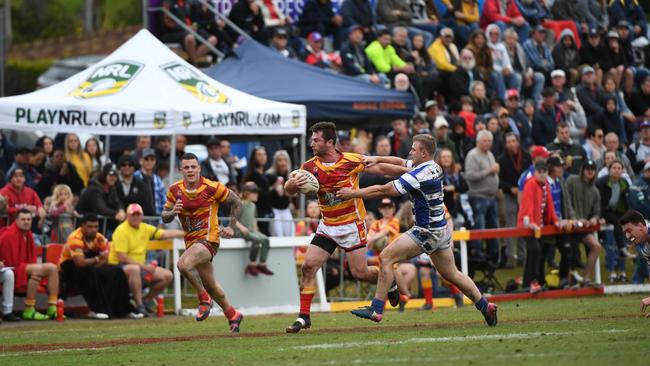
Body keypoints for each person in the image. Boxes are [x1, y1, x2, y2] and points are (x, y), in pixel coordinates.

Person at [336, 134, 498, 325]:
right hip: (441, 230)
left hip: (426, 230)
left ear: (423, 152)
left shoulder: (419, 175)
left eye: (414, 149)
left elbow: (385, 190)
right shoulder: (432, 166)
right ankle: (485, 306)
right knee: (452, 274)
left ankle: (376, 308)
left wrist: (352, 194)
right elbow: (400, 162)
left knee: (386, 257)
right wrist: (377, 158)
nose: (410, 151)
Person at [282, 122, 410, 333]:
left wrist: (410, 170)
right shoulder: (309, 167)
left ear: (330, 142)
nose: (311, 143)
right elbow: (288, 188)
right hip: (328, 225)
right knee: (308, 266)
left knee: (359, 272)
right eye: (311, 139)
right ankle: (304, 316)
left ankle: (390, 282)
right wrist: (292, 186)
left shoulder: (351, 160)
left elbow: (381, 169)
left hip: (352, 224)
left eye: (316, 140)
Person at [162, 153, 244, 332]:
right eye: (186, 167)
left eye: (193, 166)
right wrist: (172, 212)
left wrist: (231, 227)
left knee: (183, 264)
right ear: (180, 170)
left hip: (209, 240)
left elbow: (237, 202)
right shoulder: (174, 190)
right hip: (191, 243)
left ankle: (203, 298)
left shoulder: (211, 187)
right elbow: (165, 216)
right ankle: (233, 314)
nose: (190, 170)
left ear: (199, 168)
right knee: (210, 283)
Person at [59, 213, 136, 319]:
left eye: (96, 227)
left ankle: (124, 310)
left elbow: (105, 260)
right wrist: (97, 259)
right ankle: (97, 309)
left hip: (90, 265)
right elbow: (79, 263)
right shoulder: (75, 238)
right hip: (69, 269)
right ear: (83, 226)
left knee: (117, 271)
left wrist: (97, 261)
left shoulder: (100, 238)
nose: (93, 230)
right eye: (90, 227)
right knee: (91, 273)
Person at [110, 204, 181, 316]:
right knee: (134, 269)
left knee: (167, 275)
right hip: (118, 269)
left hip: (139, 268)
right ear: (127, 216)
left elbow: (166, 234)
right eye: (133, 215)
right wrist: (144, 267)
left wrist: (188, 234)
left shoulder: (144, 227)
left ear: (142, 216)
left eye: (138, 215)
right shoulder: (121, 230)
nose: (136, 217)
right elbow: (122, 257)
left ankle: (145, 301)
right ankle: (139, 306)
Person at [0, 209, 59, 320]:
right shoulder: (9, 235)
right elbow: (9, 263)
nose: (26, 222)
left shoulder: (29, 235)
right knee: (49, 268)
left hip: (22, 268)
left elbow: (30, 260)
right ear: (16, 221)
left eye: (28, 219)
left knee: (49, 270)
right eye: (23, 219)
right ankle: (29, 310)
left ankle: (51, 308)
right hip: (10, 269)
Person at [518, 161, 560, 293]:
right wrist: (530, 222)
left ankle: (529, 282)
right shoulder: (530, 184)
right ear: (535, 172)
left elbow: (550, 206)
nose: (542, 174)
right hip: (527, 225)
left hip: (538, 227)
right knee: (535, 250)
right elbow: (527, 204)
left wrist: (555, 221)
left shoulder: (545, 185)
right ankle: (533, 282)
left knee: (537, 251)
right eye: (539, 172)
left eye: (544, 172)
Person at [464, 130, 501, 264]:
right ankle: (477, 254)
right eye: (485, 141)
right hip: (478, 196)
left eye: (490, 141)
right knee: (479, 227)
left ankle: (494, 255)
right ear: (478, 142)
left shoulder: (490, 154)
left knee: (493, 227)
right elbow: (470, 176)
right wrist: (489, 171)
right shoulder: (473, 155)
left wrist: (495, 172)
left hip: (491, 197)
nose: (488, 143)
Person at [566, 160, 604, 286]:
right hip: (568, 224)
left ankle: (586, 279)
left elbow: (597, 212)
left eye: (592, 169)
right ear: (582, 169)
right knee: (569, 249)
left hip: (583, 227)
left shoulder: (595, 191)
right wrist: (574, 218)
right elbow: (566, 201)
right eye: (587, 168)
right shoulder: (572, 180)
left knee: (596, 246)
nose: (590, 171)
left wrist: (594, 219)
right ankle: (567, 279)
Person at [498, 132, 531, 267]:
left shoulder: (527, 157)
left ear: (518, 142)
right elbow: (499, 181)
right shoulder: (501, 159)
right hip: (509, 195)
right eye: (509, 141)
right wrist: (510, 188)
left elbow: (530, 175)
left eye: (513, 141)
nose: (511, 143)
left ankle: (523, 257)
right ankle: (510, 257)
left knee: (523, 224)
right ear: (506, 144)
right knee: (510, 226)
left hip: (524, 196)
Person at [160, 0, 218, 64]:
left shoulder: (188, 2)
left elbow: (194, 19)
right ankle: (194, 63)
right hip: (172, 32)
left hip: (189, 30)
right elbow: (167, 22)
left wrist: (194, 25)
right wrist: (185, 27)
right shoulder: (168, 2)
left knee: (212, 39)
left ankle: (191, 61)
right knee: (190, 38)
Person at [235, 182, 273, 276]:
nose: (257, 194)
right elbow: (233, 219)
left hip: (251, 231)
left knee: (266, 239)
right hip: (240, 232)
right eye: (254, 192)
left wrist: (257, 231)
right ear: (247, 193)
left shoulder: (253, 205)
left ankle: (262, 264)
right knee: (257, 240)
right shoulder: (240, 204)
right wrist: (242, 228)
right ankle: (251, 265)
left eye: (257, 192)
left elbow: (254, 220)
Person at [619, 209, 650, 316]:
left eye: (629, 230)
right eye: (625, 233)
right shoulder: (645, 247)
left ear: (641, 226)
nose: (627, 236)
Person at [266, 150, 294, 237]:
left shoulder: (291, 176)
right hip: (274, 210)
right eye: (280, 160)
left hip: (286, 208)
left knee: (290, 233)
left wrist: (286, 191)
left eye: (285, 160)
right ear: (275, 162)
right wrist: (273, 187)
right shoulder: (269, 175)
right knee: (278, 235)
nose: (282, 163)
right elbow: (265, 194)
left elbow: (294, 194)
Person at [134, 148, 166, 216]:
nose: (149, 161)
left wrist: (162, 220)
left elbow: (164, 201)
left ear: (155, 161)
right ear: (140, 161)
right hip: (137, 217)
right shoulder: (134, 177)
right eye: (146, 159)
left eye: (152, 159)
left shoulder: (158, 180)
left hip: (155, 218)